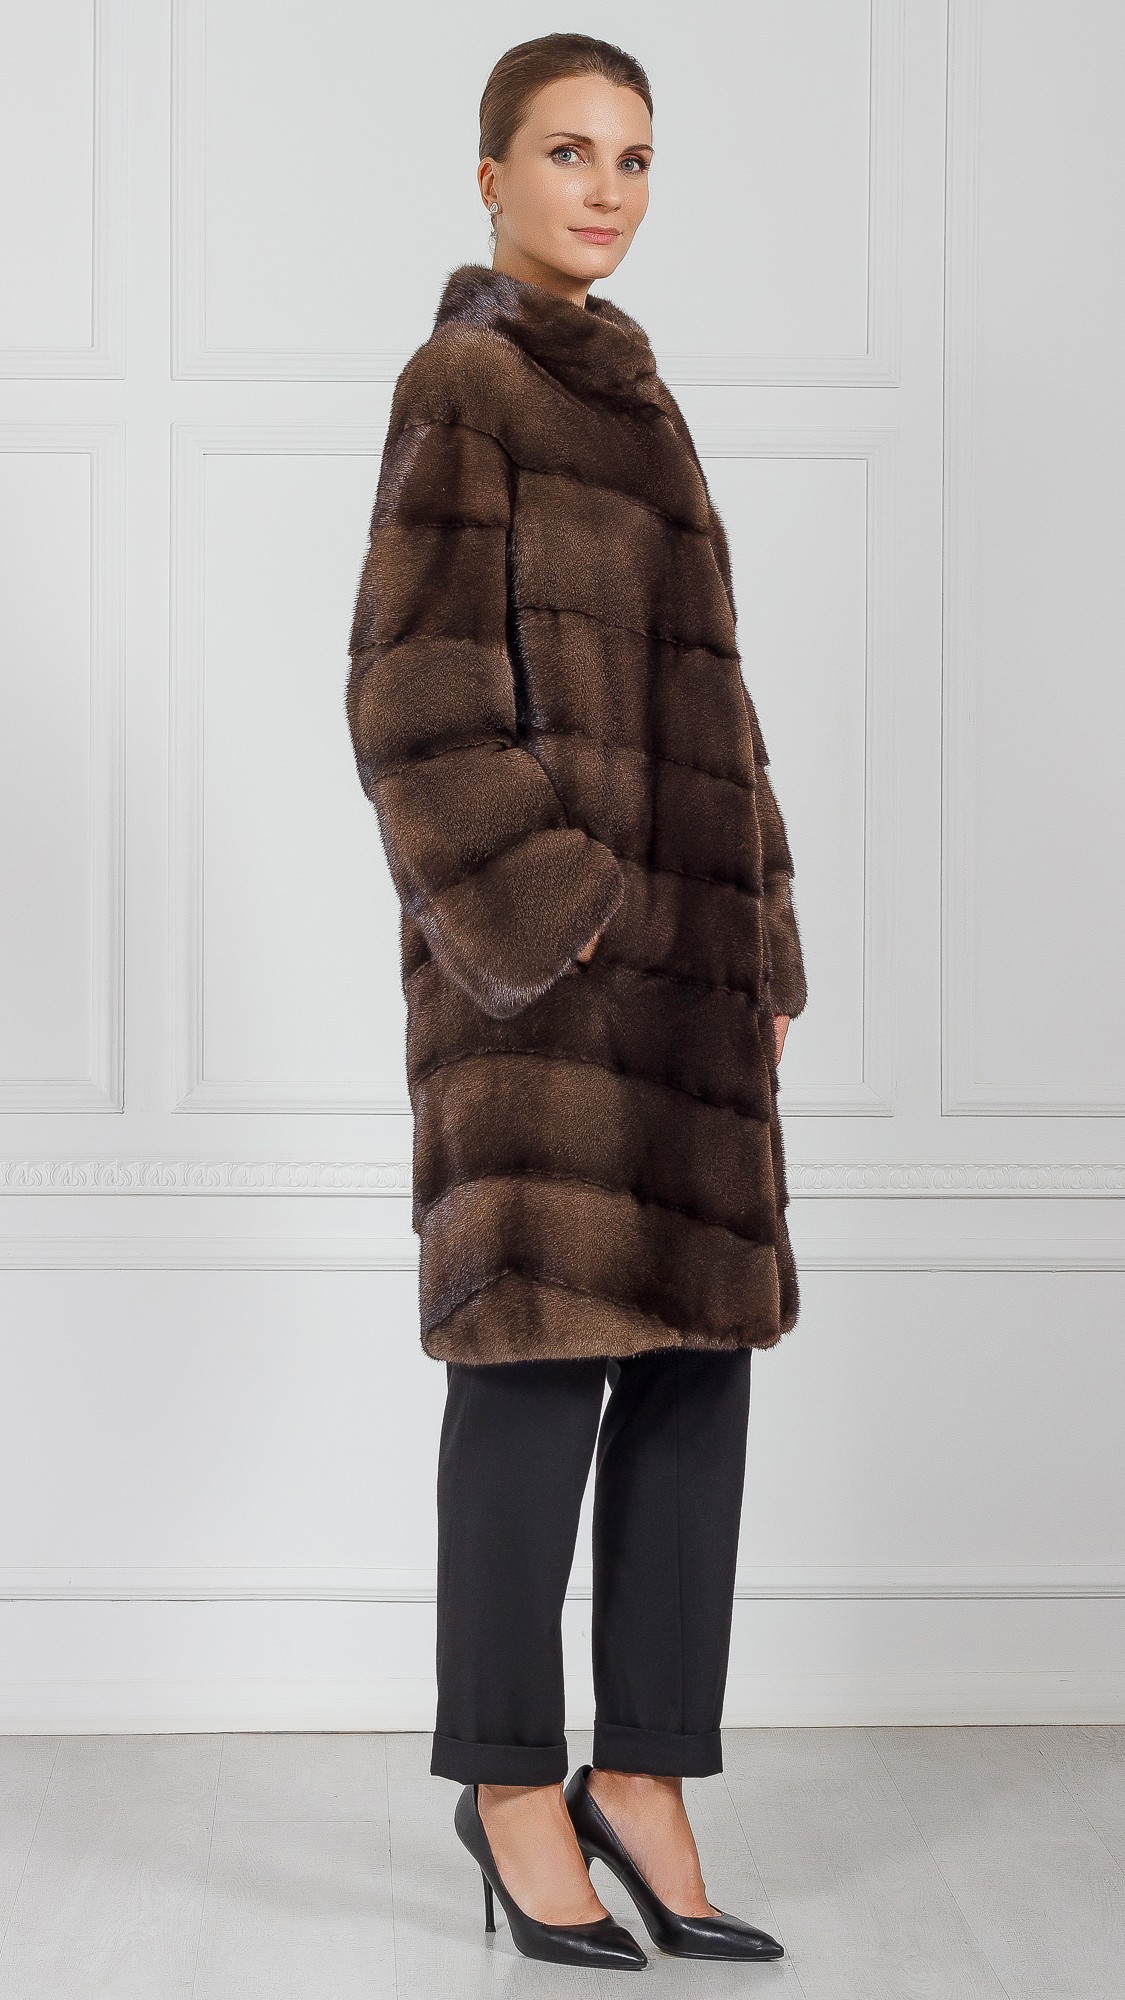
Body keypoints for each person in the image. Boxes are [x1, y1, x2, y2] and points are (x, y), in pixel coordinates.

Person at [345, 31, 807, 1971]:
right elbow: (408, 697)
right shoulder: (462, 384)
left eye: (631, 157)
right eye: (565, 151)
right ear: (488, 176)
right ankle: (508, 1782)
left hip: (690, 983)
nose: (604, 188)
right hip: (547, 994)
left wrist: (758, 933)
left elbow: (714, 704)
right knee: (535, 1374)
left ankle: (646, 1773)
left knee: (696, 1366)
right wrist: (566, 912)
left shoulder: (642, 396)